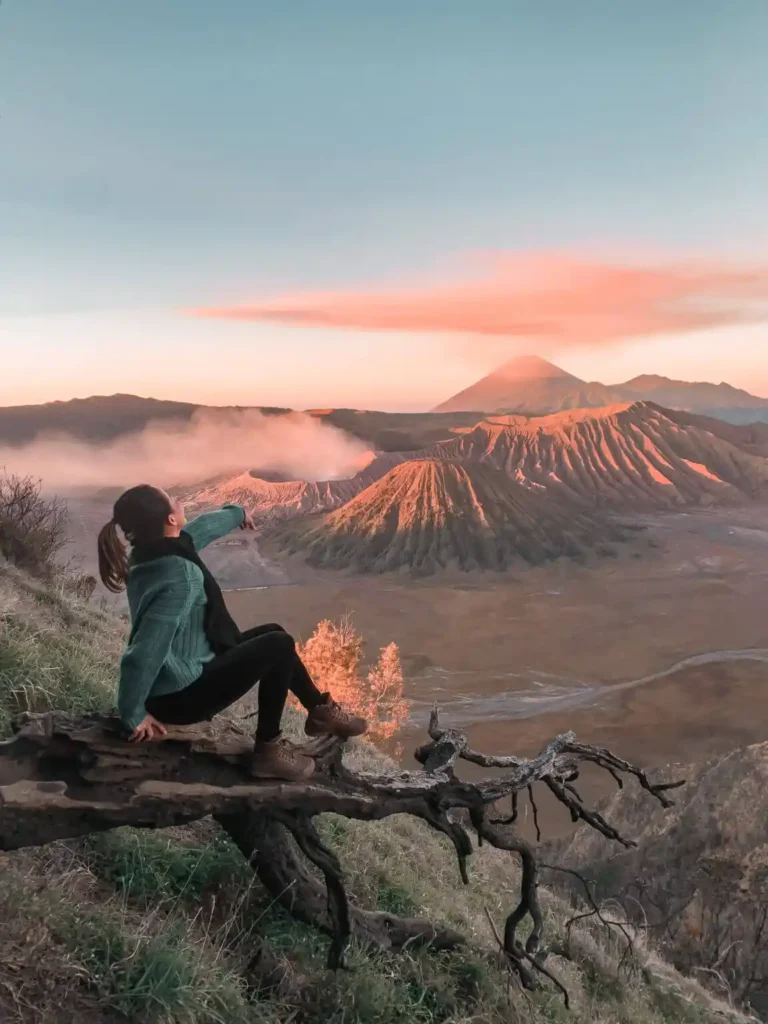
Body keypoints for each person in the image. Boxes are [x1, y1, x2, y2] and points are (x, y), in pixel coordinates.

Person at [97, 484, 367, 781]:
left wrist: (237, 513)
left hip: (191, 666)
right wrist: (133, 712)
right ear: (170, 520)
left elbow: (200, 529)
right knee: (278, 644)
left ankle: (318, 710)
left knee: (273, 632)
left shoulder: (153, 552)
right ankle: (268, 749)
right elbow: (144, 651)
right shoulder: (179, 578)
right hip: (180, 696)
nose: (178, 501)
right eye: (172, 500)